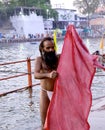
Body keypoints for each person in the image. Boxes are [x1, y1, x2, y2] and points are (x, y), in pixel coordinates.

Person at [34, 37, 60, 129]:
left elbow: (74, 55)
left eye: (53, 47)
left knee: (61, 120)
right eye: (48, 48)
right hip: (45, 92)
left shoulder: (59, 57)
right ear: (42, 49)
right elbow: (36, 74)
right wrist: (48, 75)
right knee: (44, 122)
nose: (51, 50)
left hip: (59, 93)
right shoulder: (39, 59)